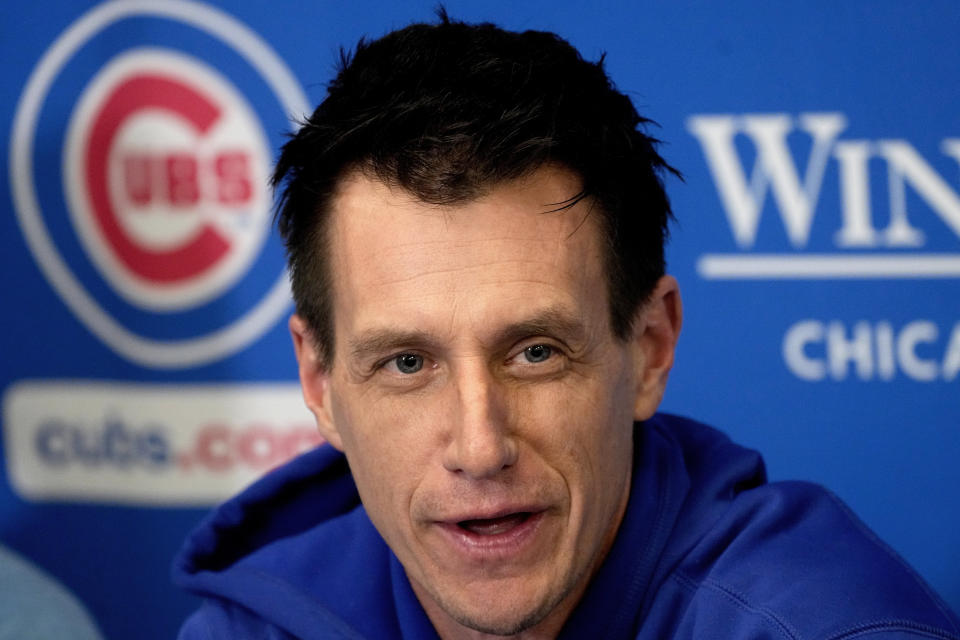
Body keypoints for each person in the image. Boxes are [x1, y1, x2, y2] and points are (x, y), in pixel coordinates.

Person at [173, 13, 960, 640]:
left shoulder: (823, 627)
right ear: (320, 382)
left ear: (650, 348)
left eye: (535, 353)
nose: (479, 449)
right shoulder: (254, 627)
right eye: (408, 364)